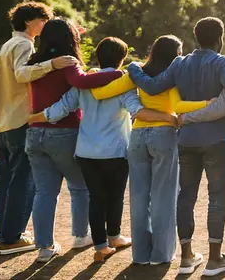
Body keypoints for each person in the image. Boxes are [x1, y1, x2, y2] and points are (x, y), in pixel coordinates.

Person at [126, 17, 225, 276]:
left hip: (186, 139)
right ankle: (215, 259)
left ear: (196, 37)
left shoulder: (180, 62)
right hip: (216, 140)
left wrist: (133, 68)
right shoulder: (223, 63)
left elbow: (153, 85)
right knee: (216, 198)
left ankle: (187, 257)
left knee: (186, 197)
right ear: (219, 38)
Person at [88, 34, 214, 266]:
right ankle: (161, 256)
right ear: (176, 54)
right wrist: (207, 103)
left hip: (137, 137)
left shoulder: (137, 74)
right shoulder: (173, 76)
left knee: (138, 197)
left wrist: (90, 77)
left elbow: (100, 93)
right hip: (163, 136)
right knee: (163, 198)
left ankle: (141, 256)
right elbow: (178, 106)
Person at [28, 37, 142, 262]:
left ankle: (100, 246)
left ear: (98, 56)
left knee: (96, 198)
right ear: (122, 59)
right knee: (115, 197)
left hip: (86, 151)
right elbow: (136, 109)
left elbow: (61, 108)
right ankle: (115, 236)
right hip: (115, 151)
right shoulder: (122, 83)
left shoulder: (84, 83)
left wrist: (32, 118)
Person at [0, 2, 77, 256]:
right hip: (20, 120)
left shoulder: (9, 45)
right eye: (44, 20)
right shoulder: (23, 45)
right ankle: (12, 237)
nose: (46, 25)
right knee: (23, 181)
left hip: (3, 122)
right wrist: (53, 64)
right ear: (30, 21)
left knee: (7, 181)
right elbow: (22, 74)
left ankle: (2, 233)